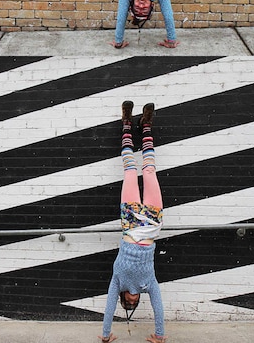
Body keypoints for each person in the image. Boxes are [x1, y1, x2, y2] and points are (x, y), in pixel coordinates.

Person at [99, 101, 167, 343]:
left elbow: (108, 308)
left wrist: (106, 335)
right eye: (133, 303)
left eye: (127, 302)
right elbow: (158, 308)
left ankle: (127, 124)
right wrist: (160, 335)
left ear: (122, 298)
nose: (132, 299)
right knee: (149, 170)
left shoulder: (117, 281)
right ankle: (146, 126)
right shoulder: (149, 284)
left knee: (129, 170)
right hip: (151, 222)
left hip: (129, 222)